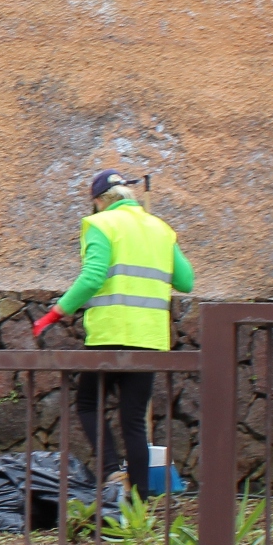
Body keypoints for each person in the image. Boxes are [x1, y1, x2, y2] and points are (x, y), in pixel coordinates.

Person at [32, 171, 195, 496]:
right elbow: (186, 282)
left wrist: (54, 314)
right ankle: (138, 501)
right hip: (149, 338)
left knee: (89, 404)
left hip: (109, 334)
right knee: (133, 420)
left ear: (101, 200)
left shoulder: (101, 225)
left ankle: (109, 471)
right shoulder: (160, 229)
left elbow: (92, 278)